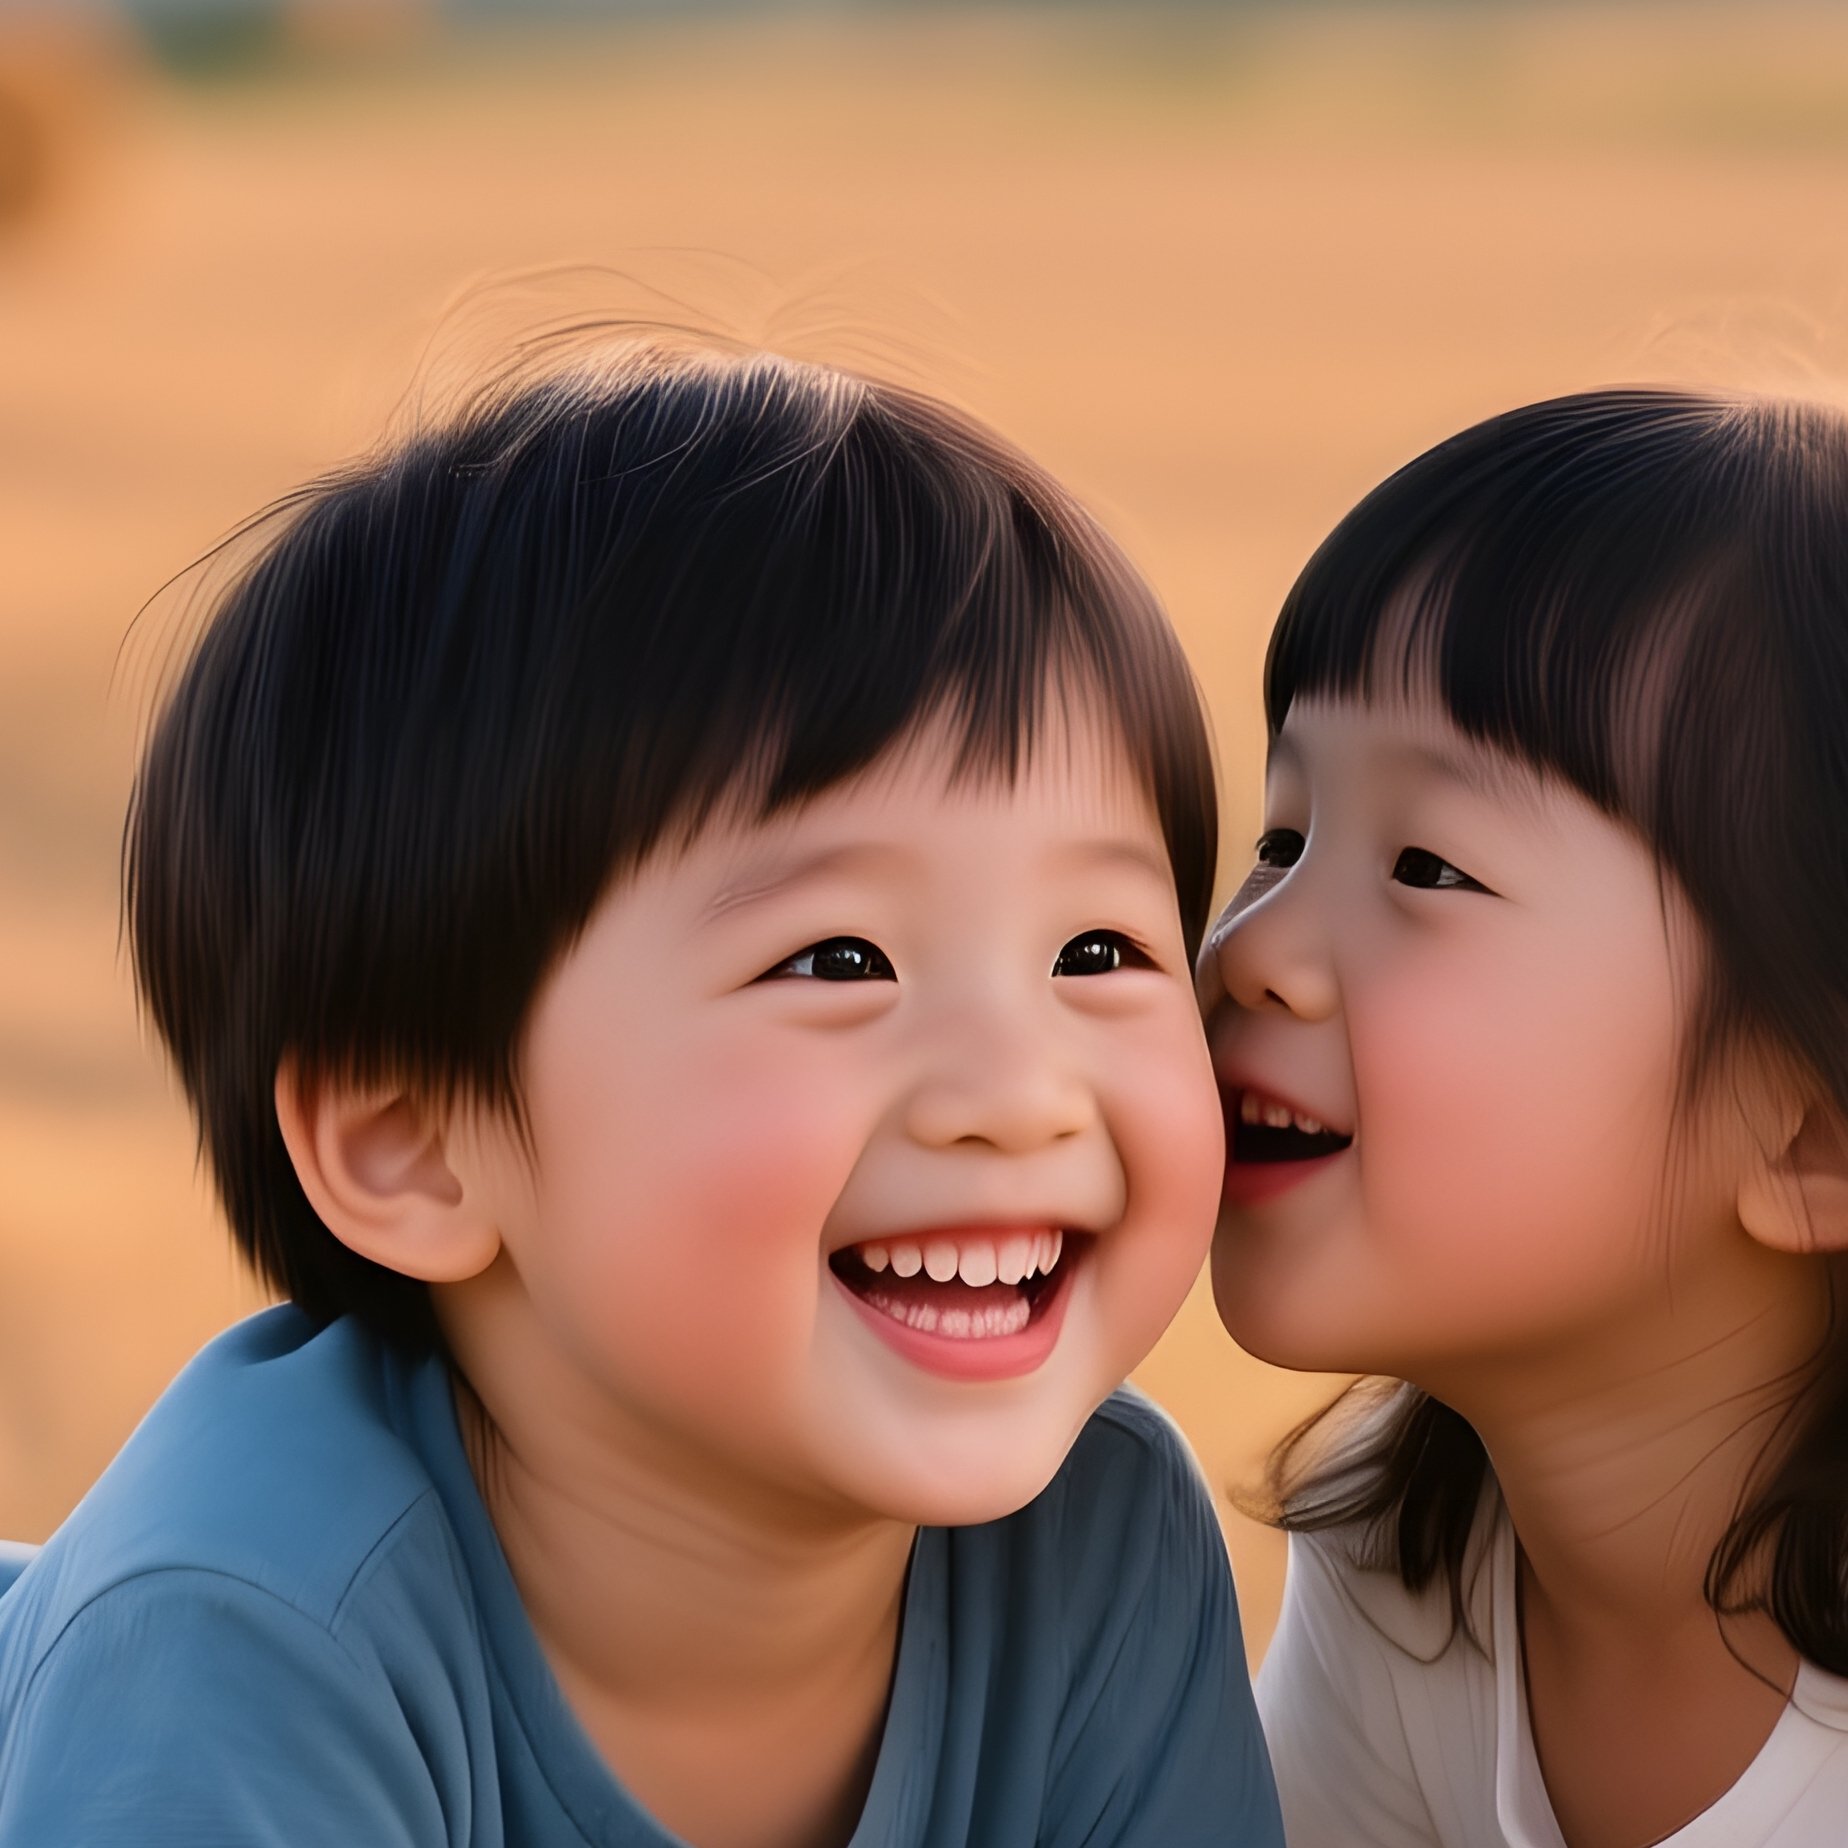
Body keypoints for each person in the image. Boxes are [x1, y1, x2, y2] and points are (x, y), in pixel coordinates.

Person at [0, 338, 1284, 1847]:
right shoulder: (245, 1628)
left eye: (1097, 947)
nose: (1019, 1090)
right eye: (839, 959)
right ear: (412, 1146)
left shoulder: (1099, 1540)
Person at [1201, 387, 1848, 1848]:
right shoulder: (1404, 1554)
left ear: (1811, 1136)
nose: (1249, 949)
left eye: (1427, 866)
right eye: (1285, 840)